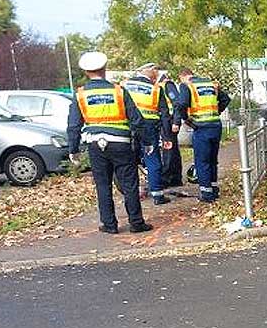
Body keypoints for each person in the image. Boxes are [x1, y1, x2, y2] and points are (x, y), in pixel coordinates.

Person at [67, 51, 153, 234]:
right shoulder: (119, 91)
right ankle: (136, 223)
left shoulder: (80, 95)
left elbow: (74, 125)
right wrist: (148, 141)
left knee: (103, 185)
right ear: (104, 69)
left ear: (86, 72)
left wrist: (73, 149)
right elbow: (137, 120)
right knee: (129, 184)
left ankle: (109, 224)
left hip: (95, 145)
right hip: (121, 144)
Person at [173, 68, 231, 203]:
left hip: (200, 127)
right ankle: (214, 189)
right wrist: (216, 112)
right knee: (212, 160)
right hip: (215, 126)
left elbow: (181, 104)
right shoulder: (211, 84)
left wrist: (186, 119)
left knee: (202, 161)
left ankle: (206, 193)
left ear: (183, 77)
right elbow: (226, 99)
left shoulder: (187, 86)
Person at [124, 63, 172, 204]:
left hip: (129, 127)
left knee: (129, 161)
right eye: (155, 70)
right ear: (147, 71)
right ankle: (157, 194)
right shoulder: (156, 89)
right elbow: (164, 114)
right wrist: (167, 136)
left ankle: (132, 195)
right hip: (149, 129)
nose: (157, 73)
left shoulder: (124, 85)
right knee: (152, 159)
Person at [158, 72, 183, 189]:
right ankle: (175, 178)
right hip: (167, 121)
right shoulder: (163, 86)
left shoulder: (167, 85)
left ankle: (167, 178)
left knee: (168, 150)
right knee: (173, 150)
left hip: (169, 123)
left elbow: (177, 103)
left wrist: (176, 122)